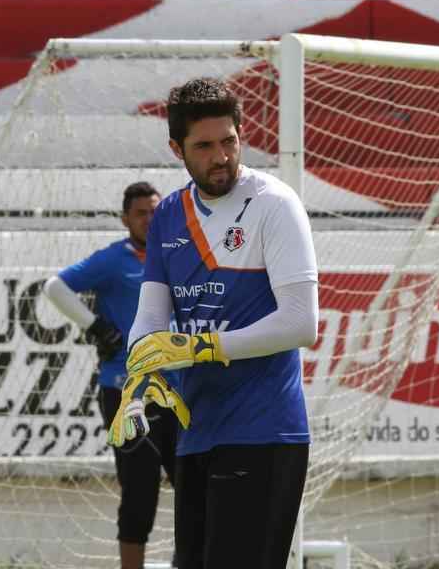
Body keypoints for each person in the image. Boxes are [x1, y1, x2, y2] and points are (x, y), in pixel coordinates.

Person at [107, 77, 320, 569]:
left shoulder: (274, 203)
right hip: (197, 430)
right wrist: (139, 374)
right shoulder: (167, 215)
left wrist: (203, 347)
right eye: (204, 146)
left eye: (229, 140)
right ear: (176, 149)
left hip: (264, 432)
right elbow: (150, 316)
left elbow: (301, 323)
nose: (221, 156)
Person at [43, 181, 179, 569]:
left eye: (155, 212)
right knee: (140, 492)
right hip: (127, 394)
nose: (149, 219)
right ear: (125, 219)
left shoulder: (178, 257)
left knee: (193, 491)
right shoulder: (113, 260)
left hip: (177, 393)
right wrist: (96, 327)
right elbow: (55, 287)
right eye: (141, 213)